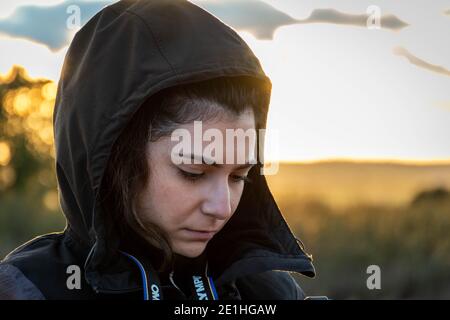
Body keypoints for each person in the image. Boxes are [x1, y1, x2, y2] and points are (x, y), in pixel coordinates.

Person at [0, 0, 315, 300]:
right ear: (115, 159)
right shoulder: (27, 289)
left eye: (239, 177)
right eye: (194, 173)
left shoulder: (266, 291)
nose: (222, 208)